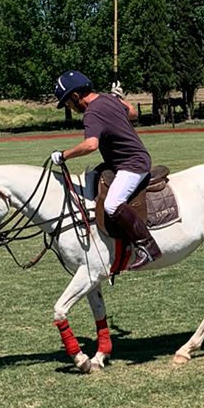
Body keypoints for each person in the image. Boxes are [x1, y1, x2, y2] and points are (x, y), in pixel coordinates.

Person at [51, 71, 162, 270]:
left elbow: (91, 144)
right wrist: (118, 99)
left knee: (112, 204)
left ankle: (148, 246)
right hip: (126, 161)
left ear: (76, 96)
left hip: (132, 164)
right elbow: (133, 113)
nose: (69, 107)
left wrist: (63, 155)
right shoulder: (106, 99)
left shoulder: (92, 112)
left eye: (68, 102)